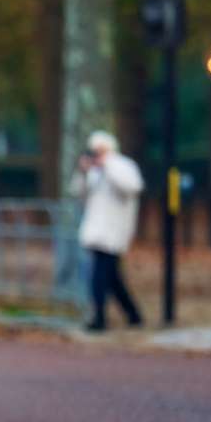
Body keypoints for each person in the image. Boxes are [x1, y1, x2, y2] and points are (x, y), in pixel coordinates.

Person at [72, 130, 144, 332]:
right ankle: (133, 314)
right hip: (96, 231)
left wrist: (107, 165)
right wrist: (84, 172)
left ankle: (99, 318)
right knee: (111, 277)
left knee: (100, 275)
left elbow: (132, 187)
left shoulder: (122, 166)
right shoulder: (94, 172)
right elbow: (79, 194)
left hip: (114, 231)